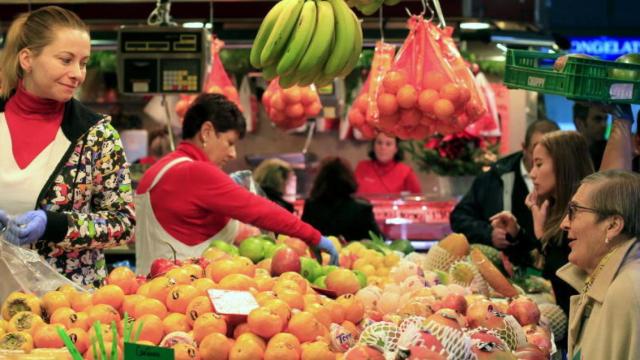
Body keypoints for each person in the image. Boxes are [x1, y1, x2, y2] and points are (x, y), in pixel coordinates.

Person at [0, 6, 135, 287]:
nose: (78, 74)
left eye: (83, 63)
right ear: (27, 59)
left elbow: (123, 224)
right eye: (66, 60)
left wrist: (55, 224)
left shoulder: (97, 136)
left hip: (65, 309)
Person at [135, 93, 338, 274]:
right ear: (206, 132)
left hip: (151, 293)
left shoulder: (158, 170)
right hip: (183, 295)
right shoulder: (196, 172)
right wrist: (313, 236)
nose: (233, 154)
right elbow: (259, 210)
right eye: (230, 142)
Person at [490, 104, 633, 318]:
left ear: (562, 165)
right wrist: (522, 234)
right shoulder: (553, 209)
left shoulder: (589, 215)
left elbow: (565, 270)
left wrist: (540, 236)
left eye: (539, 164)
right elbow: (548, 266)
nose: (531, 173)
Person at [556, 170, 640, 359]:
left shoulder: (627, 290)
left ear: (612, 226)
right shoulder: (613, 281)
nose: (564, 223)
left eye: (574, 211)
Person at [450, 120, 559, 263]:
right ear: (524, 148)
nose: (535, 172)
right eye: (536, 153)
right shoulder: (494, 177)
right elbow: (460, 217)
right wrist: (489, 234)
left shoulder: (569, 186)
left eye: (550, 154)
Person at [302, 157, 381, 241]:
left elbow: (303, 238)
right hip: (355, 253)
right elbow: (378, 242)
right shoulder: (362, 209)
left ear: (320, 180)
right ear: (349, 179)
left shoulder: (311, 206)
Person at [355, 132, 421, 195]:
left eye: (388, 144)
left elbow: (416, 201)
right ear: (373, 146)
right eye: (379, 143)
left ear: (396, 149)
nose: (383, 147)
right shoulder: (362, 167)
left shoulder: (406, 172)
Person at [573, 102, 608, 169]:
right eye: (597, 119)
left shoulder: (609, 151)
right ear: (579, 123)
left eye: (605, 119)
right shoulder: (568, 153)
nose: (604, 125)